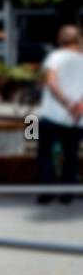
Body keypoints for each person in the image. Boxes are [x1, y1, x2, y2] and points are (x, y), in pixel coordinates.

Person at [35, 25, 83, 205]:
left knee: (45, 154)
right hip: (76, 118)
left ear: (59, 39)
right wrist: (79, 105)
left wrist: (67, 102)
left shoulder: (55, 57)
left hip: (51, 115)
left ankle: (46, 192)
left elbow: (51, 82)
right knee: (71, 155)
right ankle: (67, 194)